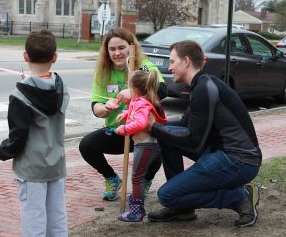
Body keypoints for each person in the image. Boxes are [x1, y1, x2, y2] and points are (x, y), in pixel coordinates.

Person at [147, 40, 262, 228]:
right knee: (166, 137)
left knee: (166, 195)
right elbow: (183, 126)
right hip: (222, 152)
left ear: (186, 61)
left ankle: (239, 197)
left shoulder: (204, 88)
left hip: (240, 161)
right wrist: (156, 123)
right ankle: (183, 208)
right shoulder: (201, 84)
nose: (169, 68)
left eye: (172, 62)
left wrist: (154, 127)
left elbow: (193, 141)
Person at [79, 27, 167, 201]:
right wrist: (104, 108)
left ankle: (146, 180)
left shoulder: (144, 65)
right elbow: (96, 106)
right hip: (118, 130)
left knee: (159, 151)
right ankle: (112, 178)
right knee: (87, 145)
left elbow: (163, 90)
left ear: (131, 47)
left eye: (121, 48)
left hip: (143, 131)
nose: (117, 53)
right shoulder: (103, 71)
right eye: (112, 49)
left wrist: (134, 92)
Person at [0, 29, 70, 236]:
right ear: (54, 58)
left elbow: (17, 137)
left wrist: (2, 152)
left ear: (25, 56)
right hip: (56, 165)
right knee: (58, 219)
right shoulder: (61, 88)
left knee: (33, 221)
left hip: (31, 168)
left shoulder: (19, 96)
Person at [112, 70, 167, 222]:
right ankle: (137, 209)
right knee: (138, 177)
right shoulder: (143, 100)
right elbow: (134, 110)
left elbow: (141, 122)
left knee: (137, 178)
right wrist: (125, 114)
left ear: (134, 89)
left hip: (146, 145)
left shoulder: (142, 103)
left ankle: (136, 212)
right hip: (144, 145)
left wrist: (123, 129)